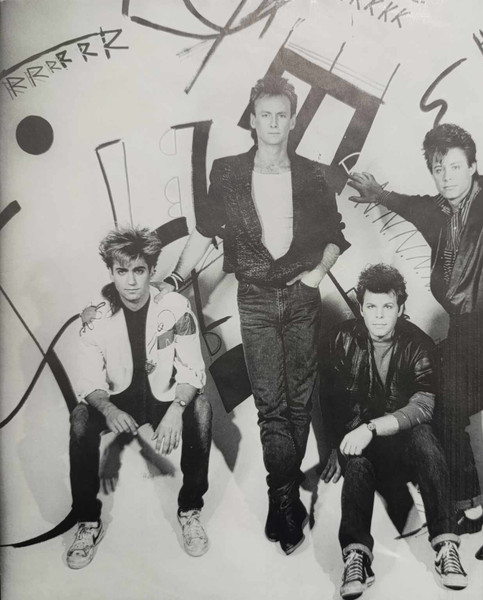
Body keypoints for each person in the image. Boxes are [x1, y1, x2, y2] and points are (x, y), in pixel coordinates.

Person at [347, 124, 483, 559]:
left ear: (472, 167)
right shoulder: (437, 211)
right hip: (463, 333)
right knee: (443, 406)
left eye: (455, 167)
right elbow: (410, 205)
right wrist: (379, 194)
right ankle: (469, 505)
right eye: (439, 169)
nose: (447, 177)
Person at [157, 75, 350, 554]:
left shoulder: (314, 175)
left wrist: (315, 276)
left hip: (302, 297)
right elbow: (205, 231)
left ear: (293, 119)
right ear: (253, 119)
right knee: (270, 404)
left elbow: (335, 234)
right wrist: (176, 278)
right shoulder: (227, 172)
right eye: (266, 115)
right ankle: (284, 497)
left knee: (298, 402)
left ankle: (280, 499)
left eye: (282, 115)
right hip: (256, 297)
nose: (274, 123)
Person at [68, 227, 211, 569]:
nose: (131, 281)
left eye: (139, 270)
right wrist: (107, 408)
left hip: (163, 398)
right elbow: (88, 380)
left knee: (202, 408)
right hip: (118, 399)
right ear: (111, 272)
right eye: (122, 271)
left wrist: (177, 409)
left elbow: (193, 369)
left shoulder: (176, 307)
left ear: (151, 270)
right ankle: (87, 521)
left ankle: (190, 510)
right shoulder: (96, 317)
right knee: (80, 418)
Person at [320, 264, 468, 597]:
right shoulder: (341, 339)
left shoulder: (418, 343)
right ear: (361, 308)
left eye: (387, 307)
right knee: (356, 463)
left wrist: (371, 428)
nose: (379, 316)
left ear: (400, 309)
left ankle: (446, 547)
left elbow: (424, 405)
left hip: (403, 444)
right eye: (371, 306)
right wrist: (332, 447)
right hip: (362, 442)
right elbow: (329, 399)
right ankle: (357, 557)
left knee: (425, 438)